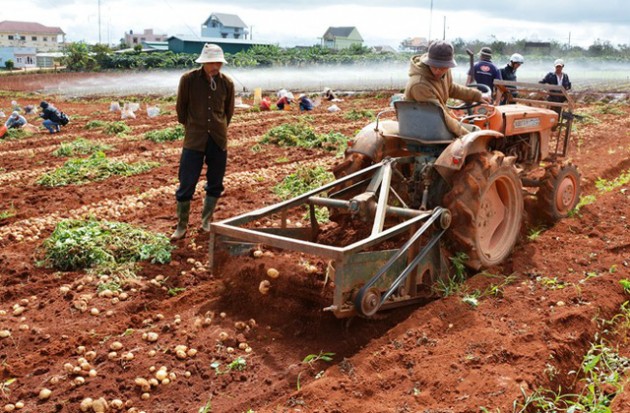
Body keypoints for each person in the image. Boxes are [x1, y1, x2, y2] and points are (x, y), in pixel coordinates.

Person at [172, 43, 235, 241]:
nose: (216, 66)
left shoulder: (227, 83)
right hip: (194, 139)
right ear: (204, 62)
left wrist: (220, 128)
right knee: (186, 183)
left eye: (219, 62)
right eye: (212, 62)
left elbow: (228, 112)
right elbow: (181, 108)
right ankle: (182, 226)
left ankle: (206, 221)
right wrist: (191, 127)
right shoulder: (189, 80)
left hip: (217, 139)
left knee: (215, 182)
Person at [404, 39, 491, 137]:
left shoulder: (445, 72)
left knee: (476, 130)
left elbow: (451, 88)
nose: (438, 71)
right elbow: (438, 114)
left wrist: (476, 95)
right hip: (420, 127)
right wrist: (465, 136)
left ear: (449, 65)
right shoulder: (419, 84)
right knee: (473, 134)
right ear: (428, 62)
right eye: (434, 66)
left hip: (433, 122)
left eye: (442, 67)